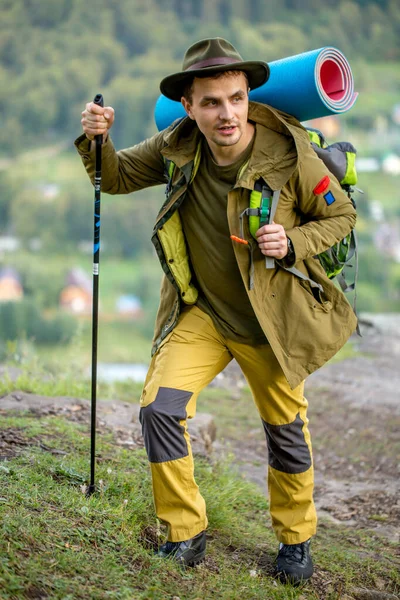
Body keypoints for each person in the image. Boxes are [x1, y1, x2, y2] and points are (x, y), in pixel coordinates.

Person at [75, 37, 357, 584]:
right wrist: (97, 140)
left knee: (285, 432)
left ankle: (296, 542)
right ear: (189, 107)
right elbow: (112, 177)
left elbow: (341, 216)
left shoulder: (290, 153)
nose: (226, 113)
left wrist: (293, 241)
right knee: (159, 410)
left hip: (270, 320)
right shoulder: (177, 145)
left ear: (248, 95)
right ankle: (186, 533)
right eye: (211, 102)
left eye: (235, 98)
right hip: (202, 313)